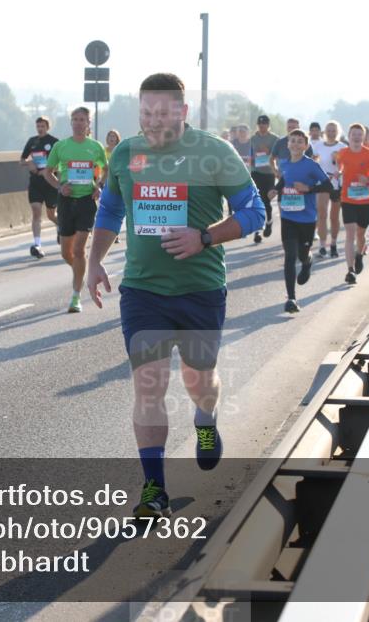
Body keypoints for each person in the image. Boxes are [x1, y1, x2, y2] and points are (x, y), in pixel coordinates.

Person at [86, 72, 265, 518]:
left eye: (162, 113)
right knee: (149, 386)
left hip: (200, 290)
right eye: (145, 112)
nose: (152, 121)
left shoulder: (214, 153)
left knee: (199, 379)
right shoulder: (126, 153)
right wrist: (93, 261)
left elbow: (255, 212)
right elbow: (110, 208)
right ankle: (154, 491)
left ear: (183, 112)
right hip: (143, 291)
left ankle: (206, 420)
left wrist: (204, 237)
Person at [44, 107, 107, 313]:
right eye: (75, 119)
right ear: (71, 123)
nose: (79, 123)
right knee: (66, 253)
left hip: (86, 202)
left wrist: (99, 185)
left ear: (89, 123)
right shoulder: (61, 147)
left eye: (83, 120)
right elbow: (48, 172)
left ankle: (75, 296)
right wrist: (60, 186)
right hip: (66, 202)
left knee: (79, 250)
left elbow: (105, 169)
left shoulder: (95, 147)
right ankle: (80, 272)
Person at [267, 129, 333, 313]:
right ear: (287, 144)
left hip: (306, 218)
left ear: (305, 145)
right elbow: (284, 180)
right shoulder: (285, 164)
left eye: (299, 142)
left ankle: (307, 261)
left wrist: (308, 188)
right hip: (288, 216)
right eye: (292, 141)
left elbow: (327, 185)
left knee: (302, 254)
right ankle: (291, 298)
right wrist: (275, 189)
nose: (295, 144)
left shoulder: (311, 165)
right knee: (289, 256)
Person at [333, 123, 369, 285]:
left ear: (363, 137)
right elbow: (341, 166)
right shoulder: (342, 153)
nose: (356, 137)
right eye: (353, 134)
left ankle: (359, 254)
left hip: (366, 200)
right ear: (349, 137)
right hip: (348, 199)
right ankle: (350, 270)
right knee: (350, 234)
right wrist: (339, 172)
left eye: (359, 134)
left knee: (360, 234)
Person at [20, 117, 60, 259]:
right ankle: (37, 245)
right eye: (38, 126)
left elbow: (61, 162)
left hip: (50, 182)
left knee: (51, 215)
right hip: (35, 182)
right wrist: (29, 164)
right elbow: (22, 159)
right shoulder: (32, 141)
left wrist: (49, 171)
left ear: (47, 127)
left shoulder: (54, 141)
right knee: (36, 212)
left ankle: (60, 227)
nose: (40, 128)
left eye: (42, 126)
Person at [313, 121, 346, 259]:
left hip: (336, 183)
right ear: (325, 132)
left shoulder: (342, 147)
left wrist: (339, 166)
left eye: (333, 131)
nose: (331, 133)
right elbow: (313, 161)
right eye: (329, 130)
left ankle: (333, 244)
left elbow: (344, 166)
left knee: (334, 217)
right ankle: (322, 246)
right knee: (321, 215)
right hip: (322, 183)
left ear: (337, 132)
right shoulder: (318, 145)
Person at [250, 115, 278, 243]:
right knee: (257, 199)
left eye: (264, 124)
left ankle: (269, 221)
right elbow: (248, 154)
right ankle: (256, 231)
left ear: (268, 125)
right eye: (260, 124)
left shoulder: (274, 138)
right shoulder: (252, 139)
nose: (262, 126)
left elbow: (278, 154)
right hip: (256, 172)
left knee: (266, 199)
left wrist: (269, 152)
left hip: (269, 172)